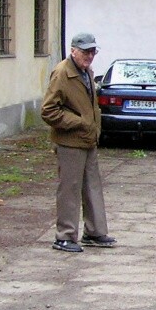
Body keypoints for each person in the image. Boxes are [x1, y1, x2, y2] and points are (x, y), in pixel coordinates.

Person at [42, 32, 115, 253]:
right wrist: (79, 122)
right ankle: (64, 236)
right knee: (69, 190)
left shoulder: (86, 71)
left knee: (92, 187)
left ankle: (94, 232)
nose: (90, 56)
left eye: (93, 51)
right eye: (85, 51)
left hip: (87, 139)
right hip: (70, 141)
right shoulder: (62, 73)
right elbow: (48, 111)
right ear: (73, 50)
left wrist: (92, 127)